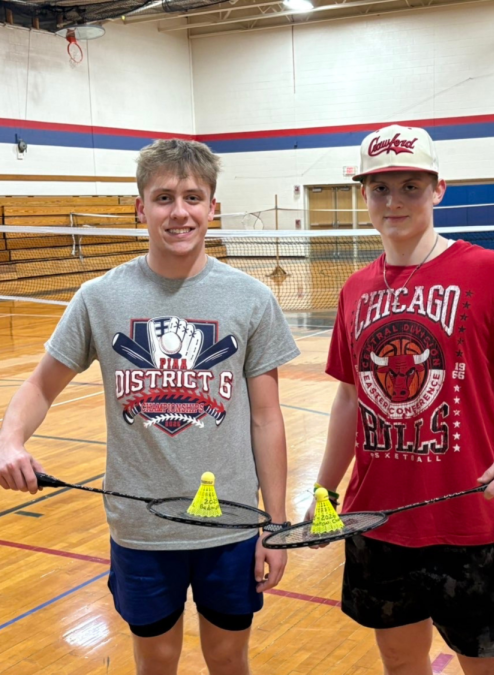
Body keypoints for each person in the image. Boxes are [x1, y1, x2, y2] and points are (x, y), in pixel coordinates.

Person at [0, 139, 298, 675]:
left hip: (229, 527)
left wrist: (273, 526)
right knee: (155, 660)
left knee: (229, 659)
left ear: (213, 207)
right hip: (140, 529)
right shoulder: (99, 297)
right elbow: (41, 387)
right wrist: (9, 440)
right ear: (141, 207)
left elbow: (266, 418)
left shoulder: (252, 299)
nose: (178, 212)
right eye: (163, 198)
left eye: (192, 197)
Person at [310, 125, 494, 675]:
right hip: (376, 519)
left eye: (410, 185)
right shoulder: (355, 289)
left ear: (438, 190)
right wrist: (325, 491)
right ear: (364, 195)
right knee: (402, 665)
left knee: (485, 669)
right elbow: (348, 400)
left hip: (471, 521)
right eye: (380, 188)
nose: (394, 201)